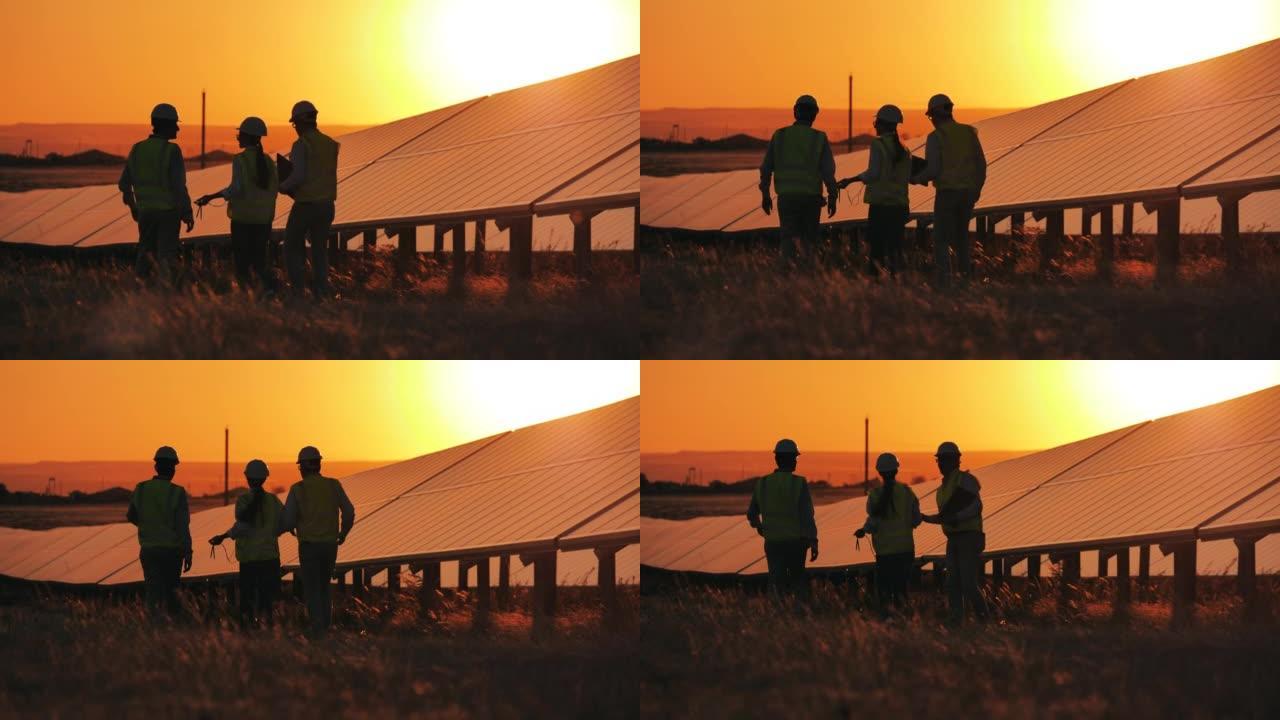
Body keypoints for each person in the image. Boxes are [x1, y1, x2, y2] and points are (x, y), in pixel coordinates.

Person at [196, 117, 279, 293]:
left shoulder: (241, 160)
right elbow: (275, 188)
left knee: (242, 263)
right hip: (264, 220)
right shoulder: (269, 162)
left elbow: (236, 189)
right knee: (259, 261)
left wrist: (211, 197)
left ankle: (246, 295)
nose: (238, 138)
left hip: (243, 220)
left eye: (240, 134)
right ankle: (267, 292)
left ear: (248, 136)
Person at [911, 94, 987, 286]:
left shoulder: (936, 137)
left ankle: (944, 282)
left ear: (935, 114)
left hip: (947, 193)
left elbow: (934, 169)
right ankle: (965, 280)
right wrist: (977, 189)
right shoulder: (969, 132)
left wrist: (915, 178)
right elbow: (981, 164)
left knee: (941, 239)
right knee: (962, 238)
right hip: (968, 193)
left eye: (931, 117)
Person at [278, 445, 355, 634]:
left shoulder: (298, 489)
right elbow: (349, 511)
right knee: (324, 586)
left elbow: (287, 520)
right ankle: (326, 627)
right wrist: (343, 533)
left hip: (309, 547)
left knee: (312, 589)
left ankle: (318, 629)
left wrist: (286, 528)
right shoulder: (333, 485)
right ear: (319, 464)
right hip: (330, 546)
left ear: (302, 467)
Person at [118, 103, 195, 283]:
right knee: (166, 258)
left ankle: (141, 292)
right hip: (168, 213)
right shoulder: (172, 151)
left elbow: (124, 184)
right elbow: (178, 186)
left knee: (145, 255)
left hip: (145, 213)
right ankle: (165, 295)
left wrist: (133, 207)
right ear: (165, 125)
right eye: (175, 123)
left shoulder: (137, 149)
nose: (177, 127)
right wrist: (187, 212)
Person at [837, 105, 915, 277]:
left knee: (877, 249)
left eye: (876, 122)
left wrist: (850, 180)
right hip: (900, 206)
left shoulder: (878, 145)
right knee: (896, 249)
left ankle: (875, 283)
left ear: (882, 123)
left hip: (881, 206)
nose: (875, 125)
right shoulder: (905, 149)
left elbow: (873, 174)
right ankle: (897, 283)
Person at [759, 95, 839, 260]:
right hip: (811, 199)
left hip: (787, 199)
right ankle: (807, 276)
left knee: (788, 240)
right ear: (815, 114)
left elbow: (766, 167)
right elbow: (828, 171)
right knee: (809, 242)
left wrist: (765, 195)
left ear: (795, 111)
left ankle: (787, 276)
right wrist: (832, 195)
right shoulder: (819, 138)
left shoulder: (779, 135)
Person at [209, 459, 285, 627]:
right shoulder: (273, 501)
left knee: (248, 601)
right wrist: (273, 533)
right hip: (270, 558)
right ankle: (269, 632)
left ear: (247, 477)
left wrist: (224, 536)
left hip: (249, 560)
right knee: (268, 601)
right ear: (265, 477)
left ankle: (249, 632)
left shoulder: (243, 500)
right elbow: (285, 522)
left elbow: (242, 525)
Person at [921, 441, 988, 625]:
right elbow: (945, 518)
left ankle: (983, 619)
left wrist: (956, 518)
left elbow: (976, 507)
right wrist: (926, 519)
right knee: (953, 583)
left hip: (969, 537)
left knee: (967, 582)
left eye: (945, 459)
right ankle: (956, 619)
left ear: (956, 460)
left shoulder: (964, 480)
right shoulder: (942, 490)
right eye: (940, 460)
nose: (942, 464)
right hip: (953, 539)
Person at [278, 100, 340, 299]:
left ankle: (298, 291)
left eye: (295, 124)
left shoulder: (301, 144)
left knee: (290, 246)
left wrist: (281, 186)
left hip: (306, 205)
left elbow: (299, 176)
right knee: (320, 250)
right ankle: (321, 291)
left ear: (299, 122)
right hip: (327, 205)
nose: (295, 129)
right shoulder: (331, 144)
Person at [747, 438, 818, 598]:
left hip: (773, 543)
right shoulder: (799, 483)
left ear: (776, 458)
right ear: (790, 459)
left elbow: (751, 514)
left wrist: (759, 526)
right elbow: (807, 516)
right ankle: (799, 616)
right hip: (796, 543)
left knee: (776, 582)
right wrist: (813, 541)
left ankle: (777, 615)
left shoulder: (763, 483)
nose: (796, 461)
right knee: (798, 583)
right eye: (794, 458)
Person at [126, 445, 192, 617]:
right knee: (172, 594)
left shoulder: (141, 489)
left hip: (149, 550)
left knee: (153, 593)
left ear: (156, 466)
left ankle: (154, 627)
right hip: (172, 552)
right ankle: (172, 630)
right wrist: (188, 551)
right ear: (173, 469)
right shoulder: (177, 493)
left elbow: (131, 516)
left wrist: (149, 526)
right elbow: (182, 526)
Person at [855, 452, 921, 614]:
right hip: (905, 550)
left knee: (885, 592)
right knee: (902, 590)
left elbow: (873, 522)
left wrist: (863, 530)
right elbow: (916, 520)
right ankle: (905, 622)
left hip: (885, 553)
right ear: (896, 470)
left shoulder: (875, 495)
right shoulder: (907, 492)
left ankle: (887, 621)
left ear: (879, 472)